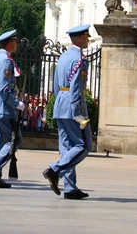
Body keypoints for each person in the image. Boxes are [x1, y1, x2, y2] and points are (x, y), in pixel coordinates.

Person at [43, 24, 92, 200]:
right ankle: (54, 170)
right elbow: (77, 88)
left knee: (67, 147)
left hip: (60, 104)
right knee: (83, 146)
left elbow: (56, 86)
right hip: (73, 105)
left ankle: (70, 187)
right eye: (87, 36)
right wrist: (78, 114)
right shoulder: (80, 59)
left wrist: (59, 104)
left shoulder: (63, 57)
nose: (88, 39)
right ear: (80, 38)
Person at [0, 30, 24, 189]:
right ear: (10, 42)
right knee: (14, 139)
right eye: (15, 41)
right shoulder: (7, 61)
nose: (16, 44)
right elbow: (3, 89)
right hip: (2, 105)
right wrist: (16, 103)